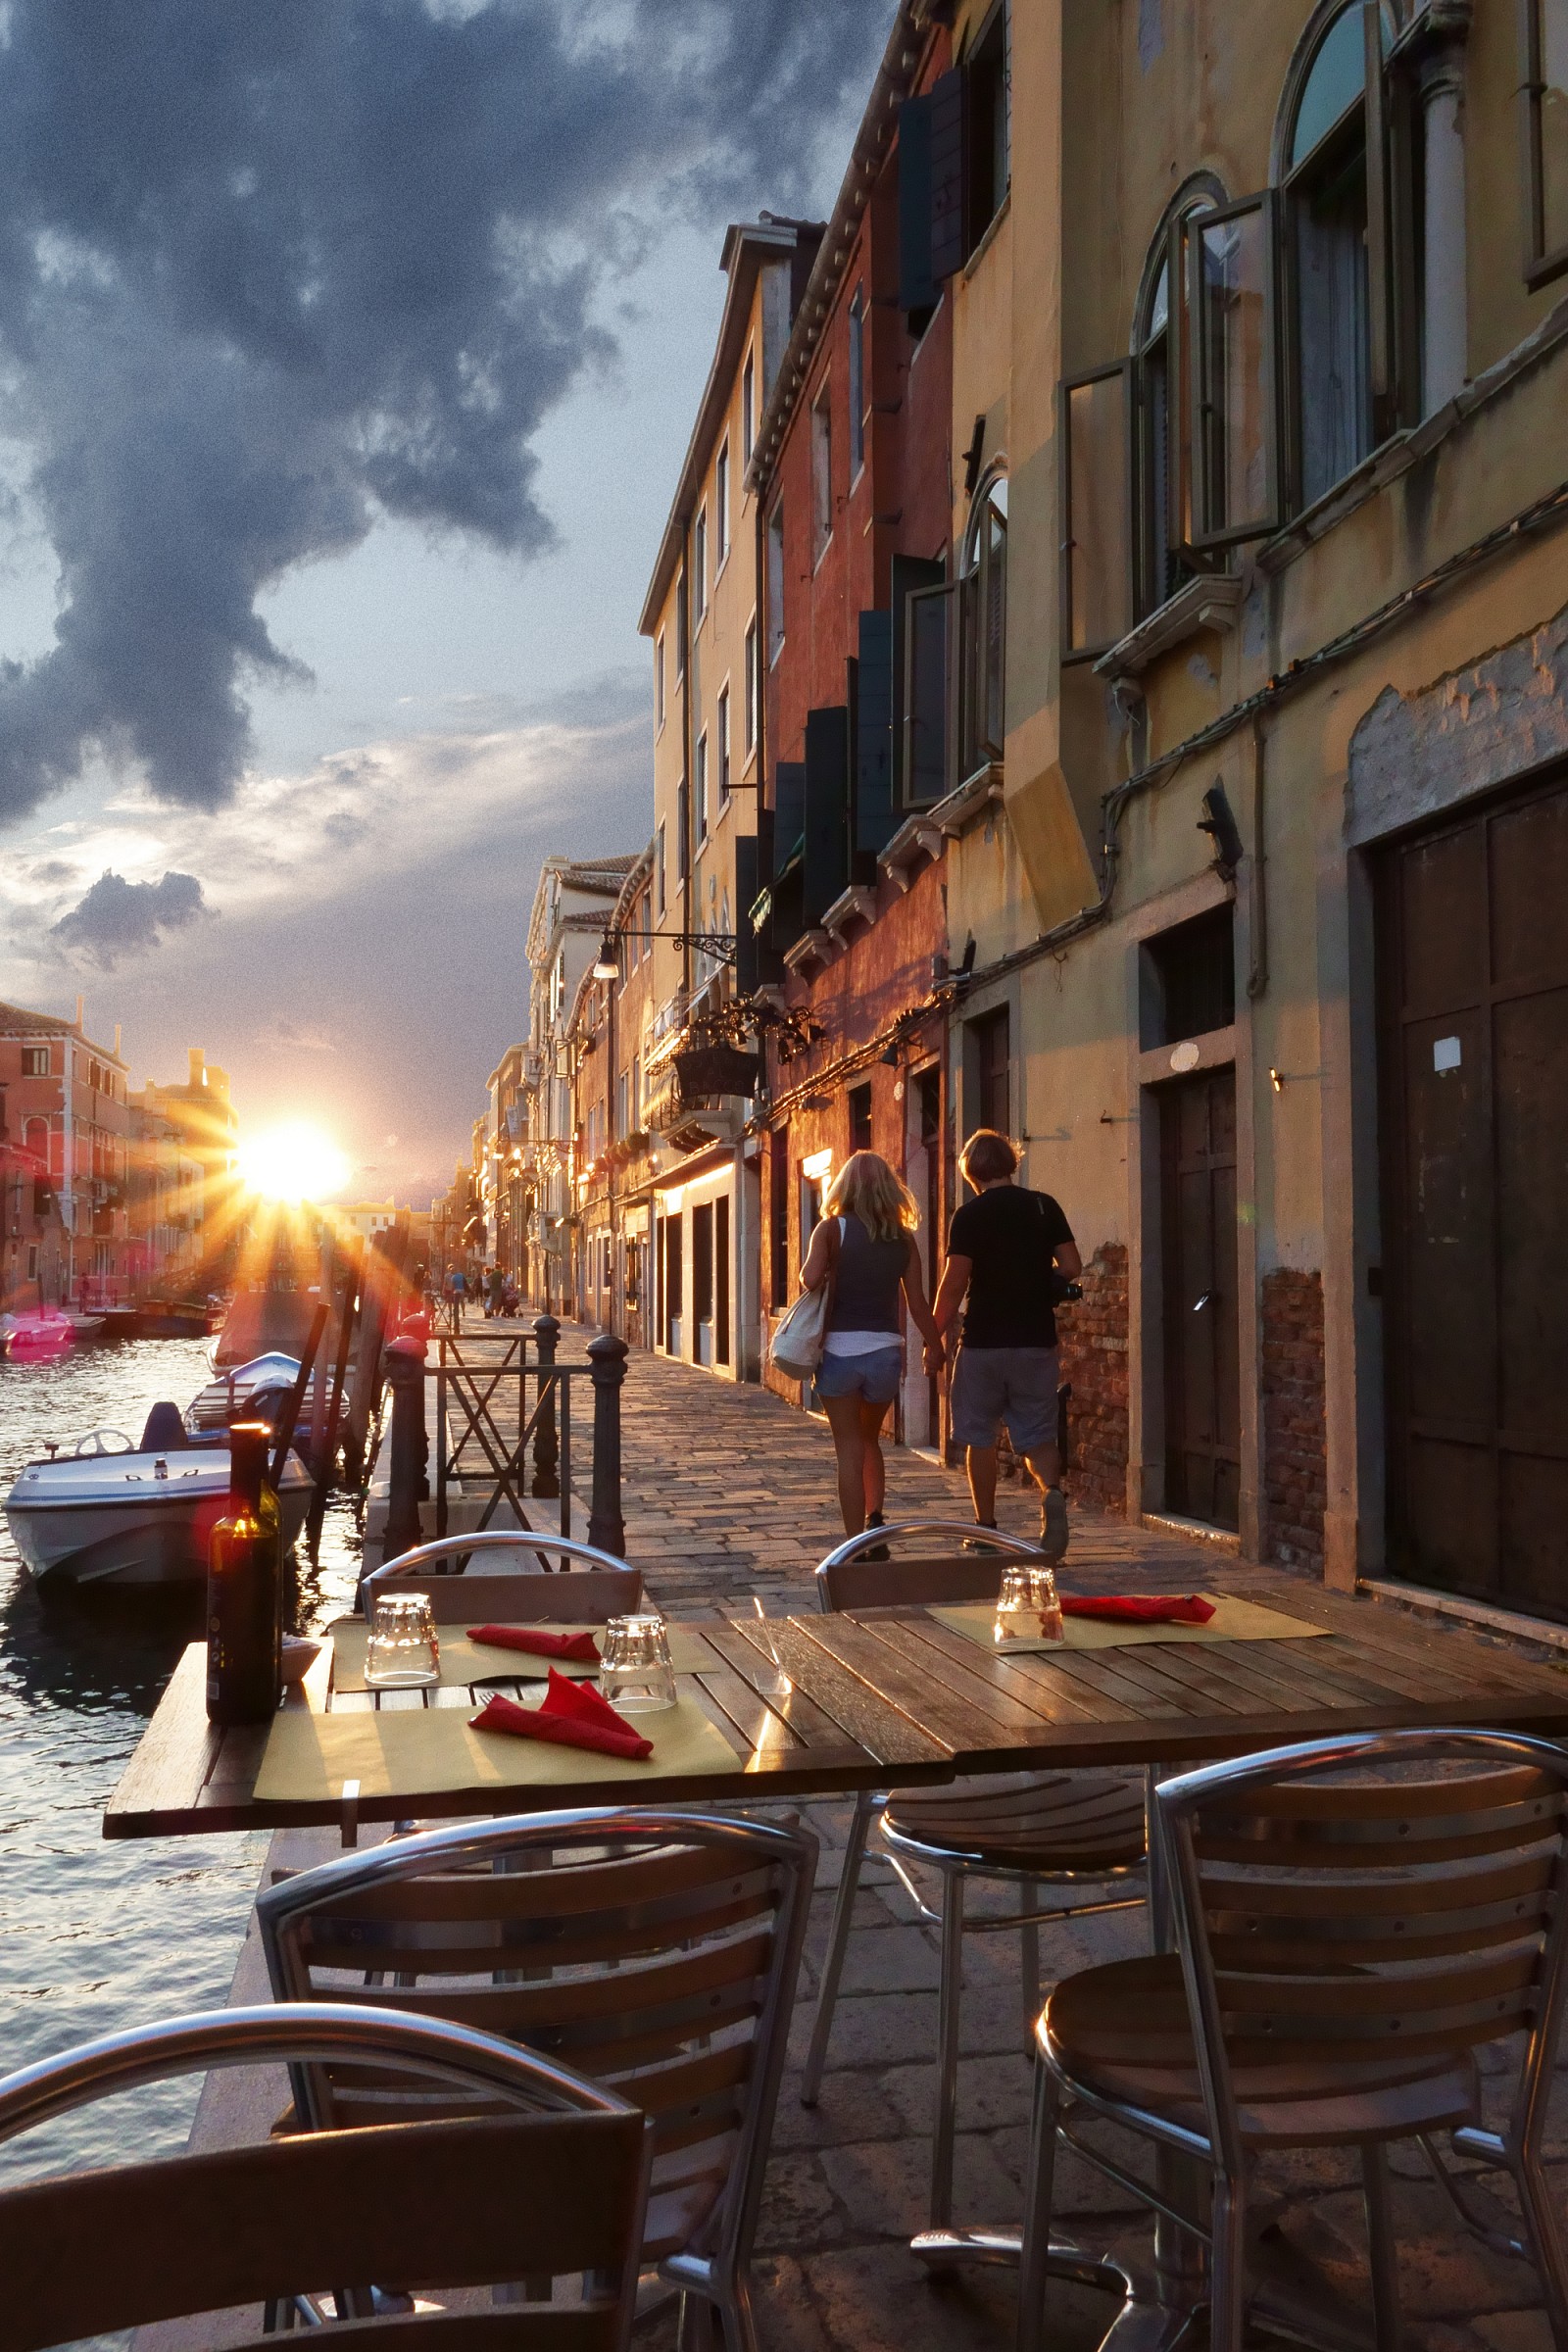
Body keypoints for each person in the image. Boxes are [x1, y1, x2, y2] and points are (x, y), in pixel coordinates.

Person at [924, 1129, 1082, 1560]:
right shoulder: (1042, 1205)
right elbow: (1071, 1265)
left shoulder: (968, 1216)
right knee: (1037, 1434)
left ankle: (985, 1528)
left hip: (984, 1344)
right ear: (1012, 1163)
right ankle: (1051, 1493)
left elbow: (953, 1286)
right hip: (1036, 1341)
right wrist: (1045, 1282)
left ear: (971, 1172)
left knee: (980, 1437)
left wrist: (933, 1337)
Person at [799, 1150, 941, 1542]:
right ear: (888, 1189)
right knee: (870, 1438)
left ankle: (852, 1542)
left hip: (840, 1355)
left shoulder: (830, 1229)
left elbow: (809, 1280)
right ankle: (874, 1520)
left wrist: (825, 1267)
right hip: (884, 1355)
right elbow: (917, 1302)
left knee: (847, 1449)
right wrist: (935, 1345)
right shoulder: (903, 1239)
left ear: (844, 1187)